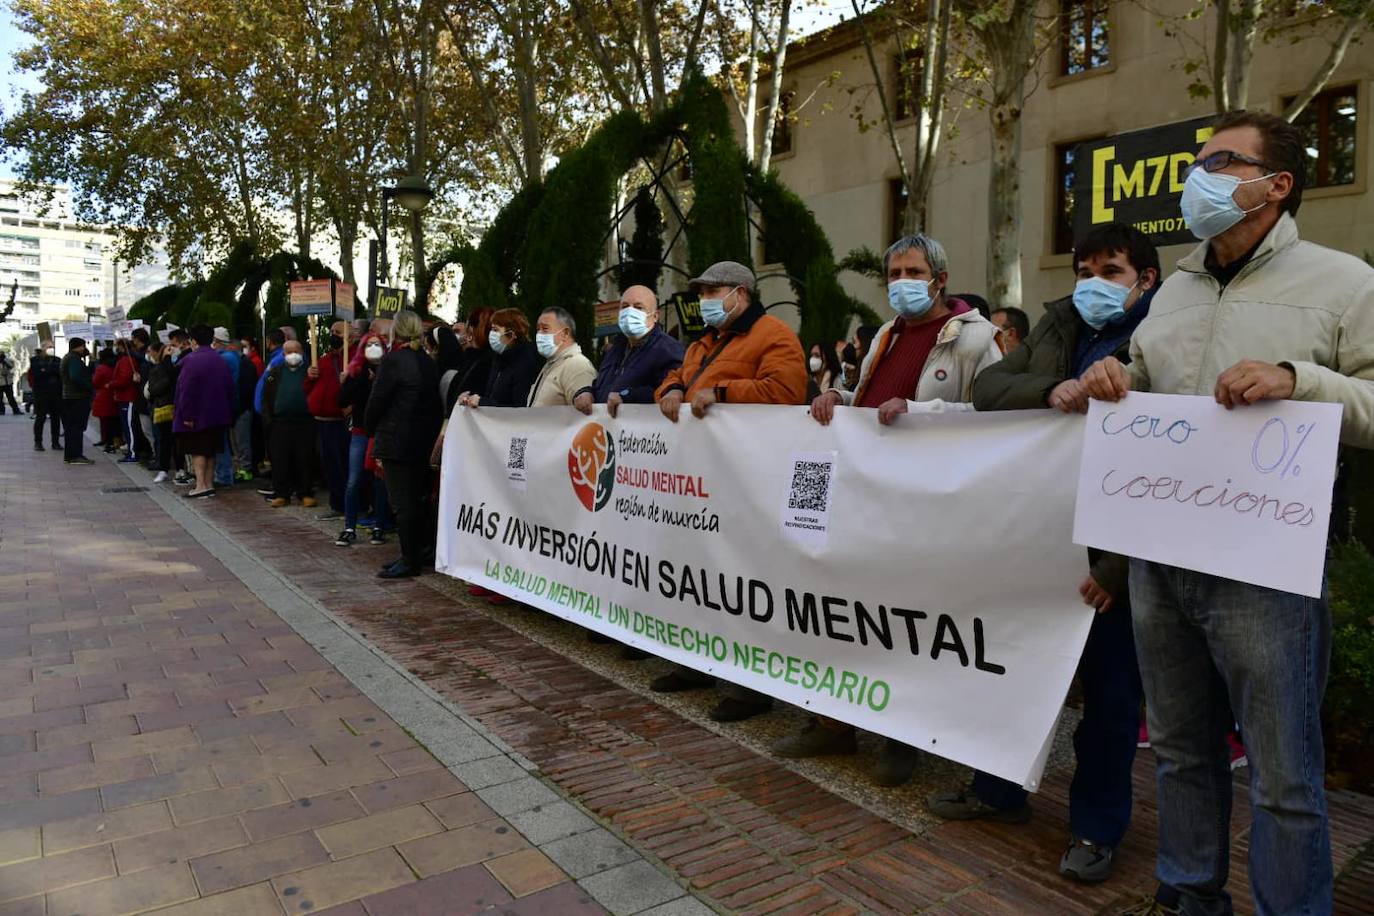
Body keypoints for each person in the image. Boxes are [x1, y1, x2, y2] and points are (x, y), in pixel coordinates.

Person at [1079, 110, 1374, 916]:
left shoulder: (1343, 281)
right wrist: (1107, 379)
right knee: (1178, 752)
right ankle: (1187, 896)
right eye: (1196, 162)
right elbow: (1137, 387)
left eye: (1219, 162)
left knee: (1282, 774)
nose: (1196, 177)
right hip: (1160, 557)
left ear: (1274, 185)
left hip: (1265, 565)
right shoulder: (1171, 286)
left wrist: (1297, 378)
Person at [920, 223, 1162, 885]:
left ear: (1146, 279)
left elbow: (1167, 463)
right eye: (1084, 268)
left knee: (1110, 704)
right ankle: (998, 794)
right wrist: (1050, 391)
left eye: (1111, 270)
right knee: (1013, 676)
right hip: (1038, 543)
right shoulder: (1058, 327)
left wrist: (1116, 569)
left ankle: (1097, 826)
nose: (1092, 282)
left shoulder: (1164, 336)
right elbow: (990, 390)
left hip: (1107, 560)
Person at [785, 234, 1003, 787]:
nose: (902, 280)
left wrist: (924, 411)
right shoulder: (886, 334)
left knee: (907, 622)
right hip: (870, 496)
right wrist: (839, 400)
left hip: (928, 504)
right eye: (895, 272)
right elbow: (865, 405)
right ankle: (833, 722)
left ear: (940, 279)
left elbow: (998, 415)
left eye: (914, 270)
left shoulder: (977, 339)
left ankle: (903, 735)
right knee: (847, 609)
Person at [652, 260, 807, 723]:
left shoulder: (774, 334)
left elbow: (786, 390)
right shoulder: (702, 343)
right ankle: (694, 662)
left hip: (748, 481)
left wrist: (722, 391)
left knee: (741, 579)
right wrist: (675, 386)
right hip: (701, 482)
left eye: (713, 292)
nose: (705, 301)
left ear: (741, 292)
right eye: (701, 293)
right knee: (696, 574)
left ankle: (749, 688)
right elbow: (679, 376)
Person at [365, 310, 442, 579]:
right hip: (420, 440)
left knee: (402, 502)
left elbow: (378, 400)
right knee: (416, 499)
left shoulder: (394, 361)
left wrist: (369, 427)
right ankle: (414, 552)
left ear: (395, 332)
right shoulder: (427, 362)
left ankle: (410, 560)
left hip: (397, 438)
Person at [336, 332, 391, 547]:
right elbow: (343, 399)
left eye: (377, 344)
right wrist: (357, 380)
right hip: (360, 431)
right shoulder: (356, 371)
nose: (373, 348)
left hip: (380, 432)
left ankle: (379, 525)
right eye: (369, 345)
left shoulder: (390, 370)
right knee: (354, 480)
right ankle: (349, 526)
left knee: (380, 481)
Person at [172, 324, 234, 498]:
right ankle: (209, 483)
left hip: (197, 415)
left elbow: (186, 391)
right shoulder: (220, 359)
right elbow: (229, 388)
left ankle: (200, 485)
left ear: (193, 341)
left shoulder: (191, 361)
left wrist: (187, 415)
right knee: (211, 450)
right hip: (218, 414)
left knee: (198, 449)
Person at [261, 340, 317, 508]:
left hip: (304, 421)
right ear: (283, 354)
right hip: (280, 422)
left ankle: (305, 493)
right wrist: (268, 420)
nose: (293, 355)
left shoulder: (310, 371)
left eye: (296, 351)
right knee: (279, 459)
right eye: (288, 351)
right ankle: (281, 494)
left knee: (304, 458)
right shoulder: (275, 372)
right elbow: (266, 397)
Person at [306, 323, 348, 519]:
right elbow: (308, 388)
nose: (333, 335)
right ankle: (336, 503)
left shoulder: (352, 359)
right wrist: (309, 377)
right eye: (331, 332)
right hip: (321, 420)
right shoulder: (323, 360)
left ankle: (346, 504)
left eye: (338, 332)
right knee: (329, 464)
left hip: (340, 421)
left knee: (342, 464)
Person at [460, 309, 540, 409]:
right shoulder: (500, 359)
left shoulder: (525, 364)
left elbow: (519, 409)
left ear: (511, 334)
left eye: (495, 330)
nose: (491, 334)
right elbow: (493, 396)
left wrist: (482, 402)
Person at [525, 307, 596, 407]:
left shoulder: (577, 366)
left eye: (545, 329)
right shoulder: (551, 365)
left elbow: (584, 412)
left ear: (565, 333)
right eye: (538, 329)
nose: (539, 334)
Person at [209, 328, 241, 488]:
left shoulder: (226, 357)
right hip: (225, 403)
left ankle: (224, 475)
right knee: (222, 441)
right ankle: (223, 474)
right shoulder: (229, 356)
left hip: (222, 404)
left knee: (221, 442)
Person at [60, 337, 95, 464]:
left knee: (71, 428)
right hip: (77, 398)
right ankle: (75, 455)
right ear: (79, 346)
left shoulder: (69, 357)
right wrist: (89, 386)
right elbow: (75, 376)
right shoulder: (73, 359)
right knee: (76, 428)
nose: (84, 349)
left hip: (70, 397)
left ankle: (71, 455)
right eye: (83, 346)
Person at [145, 341, 176, 483]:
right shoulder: (156, 369)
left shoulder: (173, 367)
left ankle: (179, 468)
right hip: (162, 408)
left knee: (173, 440)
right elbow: (153, 389)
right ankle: (163, 469)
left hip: (174, 407)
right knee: (164, 440)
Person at [30, 341, 63, 451]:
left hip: (56, 394)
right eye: (49, 347)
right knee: (40, 418)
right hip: (41, 394)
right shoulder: (35, 360)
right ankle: (38, 442)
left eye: (53, 347)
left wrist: (45, 369)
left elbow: (60, 373)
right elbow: (37, 375)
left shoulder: (57, 359)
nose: (51, 348)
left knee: (55, 419)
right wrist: (51, 370)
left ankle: (55, 442)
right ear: (43, 348)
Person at [92, 348, 119, 451]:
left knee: (104, 420)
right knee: (112, 420)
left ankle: (106, 441)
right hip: (114, 395)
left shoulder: (101, 368)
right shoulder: (116, 365)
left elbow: (95, 382)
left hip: (103, 396)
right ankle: (111, 441)